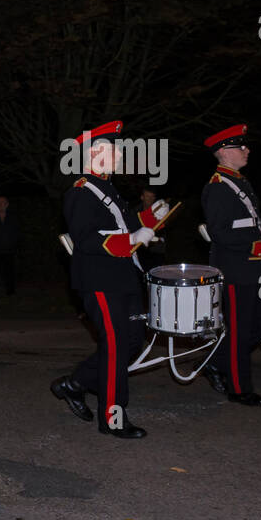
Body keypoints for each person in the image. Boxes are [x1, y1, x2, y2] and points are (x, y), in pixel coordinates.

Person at [50, 120, 168, 438]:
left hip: (123, 276)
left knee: (131, 342)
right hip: (100, 280)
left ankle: (74, 384)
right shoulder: (80, 192)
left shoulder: (107, 188)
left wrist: (151, 218)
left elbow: (126, 224)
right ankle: (113, 418)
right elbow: (88, 239)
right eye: (112, 148)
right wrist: (132, 239)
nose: (118, 153)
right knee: (116, 346)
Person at [200, 124, 261, 405]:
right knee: (240, 328)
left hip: (257, 269)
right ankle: (239, 388)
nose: (247, 150)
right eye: (240, 146)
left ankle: (217, 362)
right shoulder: (218, 188)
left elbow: (252, 227)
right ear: (223, 152)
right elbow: (222, 233)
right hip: (237, 268)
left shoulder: (240, 182)